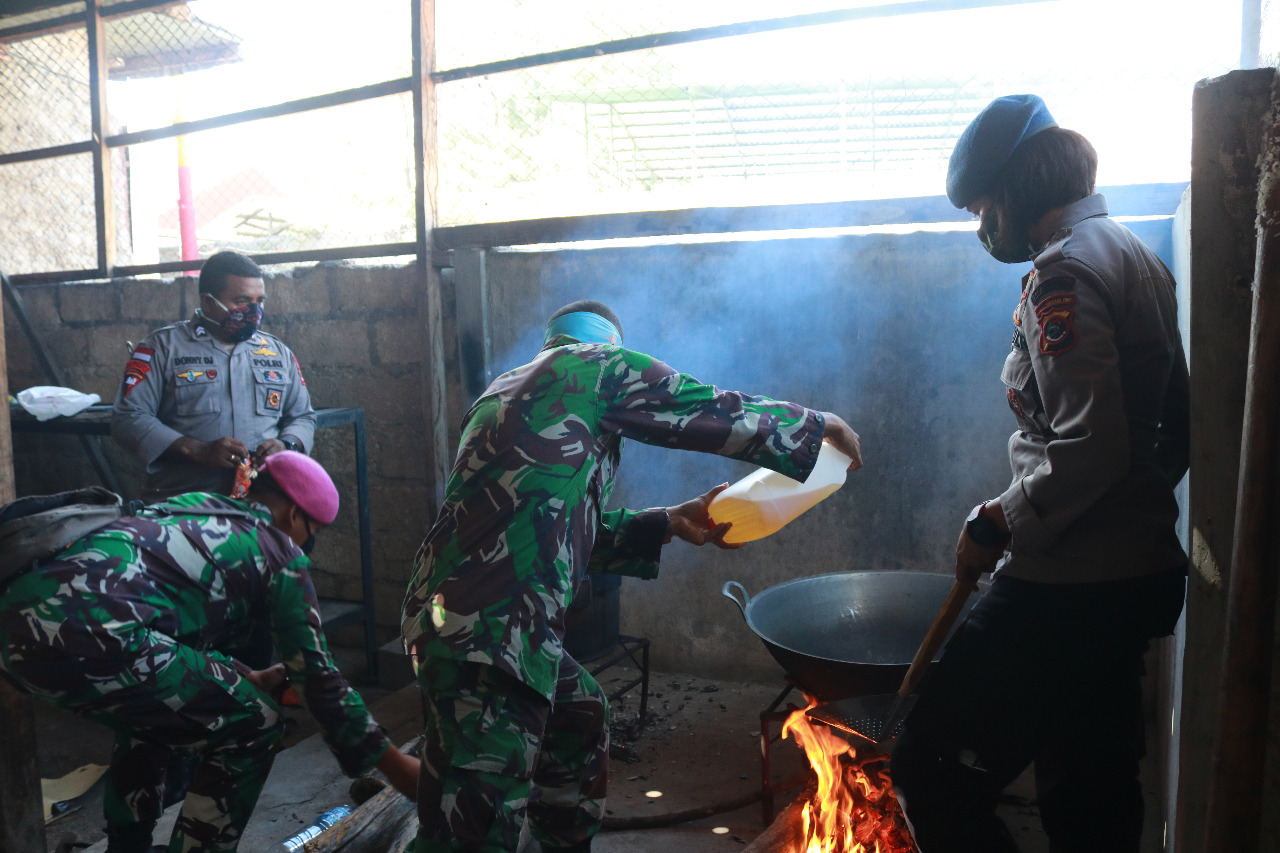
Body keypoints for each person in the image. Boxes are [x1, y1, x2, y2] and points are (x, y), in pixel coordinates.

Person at [402, 299, 862, 853]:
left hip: (458, 612)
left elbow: (543, 524)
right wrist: (818, 426)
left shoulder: (504, 392)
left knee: (578, 715)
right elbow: (703, 407)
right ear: (604, 344)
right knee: (470, 829)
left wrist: (667, 522)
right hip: (495, 627)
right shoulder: (597, 365)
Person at [888, 95, 1190, 852]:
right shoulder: (1133, 254)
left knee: (929, 762)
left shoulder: (1065, 275)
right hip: (1130, 576)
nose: (981, 226)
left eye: (983, 206)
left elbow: (1090, 446)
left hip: (1067, 584)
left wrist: (999, 520)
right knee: (1087, 787)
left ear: (1019, 188)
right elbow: (1171, 432)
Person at [0, 451, 419, 853]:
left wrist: (243, 678)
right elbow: (320, 680)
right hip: (99, 634)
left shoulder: (194, 506)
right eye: (314, 533)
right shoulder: (281, 555)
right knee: (256, 721)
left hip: (14, 637)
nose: (309, 544)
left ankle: (129, 846)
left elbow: (171, 639)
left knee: (153, 715)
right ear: (295, 515)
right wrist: (397, 768)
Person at [112, 250, 315, 502]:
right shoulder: (162, 348)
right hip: (185, 501)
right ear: (208, 302)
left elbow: (303, 416)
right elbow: (128, 418)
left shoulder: (277, 353)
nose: (253, 310)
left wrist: (287, 445)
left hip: (264, 500)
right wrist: (196, 449)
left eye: (259, 301)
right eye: (242, 301)